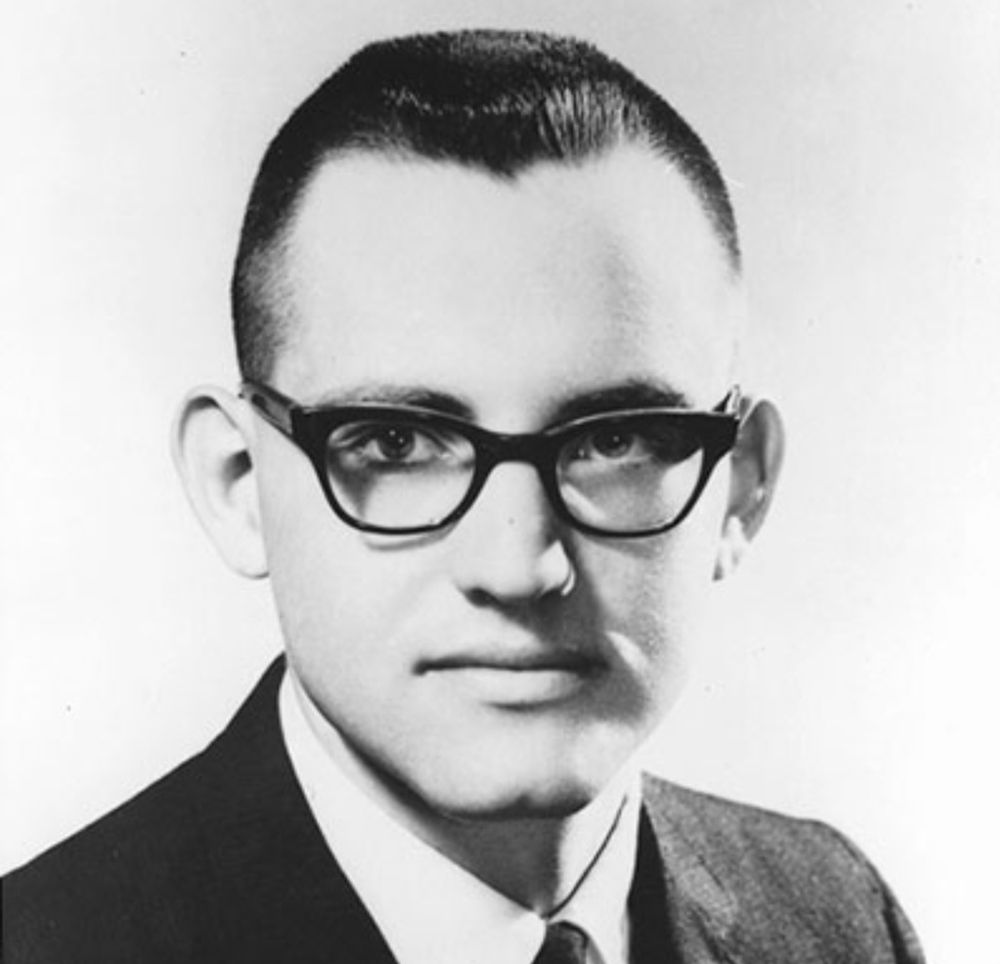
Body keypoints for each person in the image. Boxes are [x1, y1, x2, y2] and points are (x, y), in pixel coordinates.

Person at [2, 28, 924, 964]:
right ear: (238, 486)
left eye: (616, 439)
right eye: (398, 444)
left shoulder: (839, 916)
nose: (519, 565)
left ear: (740, 486)